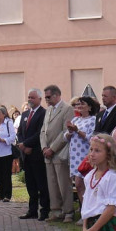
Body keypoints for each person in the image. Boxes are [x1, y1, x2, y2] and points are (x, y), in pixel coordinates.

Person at [41, 85, 74, 222]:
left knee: (63, 184)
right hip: (48, 154)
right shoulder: (48, 110)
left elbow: (65, 131)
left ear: (56, 95)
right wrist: (44, 147)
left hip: (60, 152)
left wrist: (52, 148)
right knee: (52, 184)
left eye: (48, 97)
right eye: (45, 97)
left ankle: (68, 212)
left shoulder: (67, 109)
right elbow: (43, 130)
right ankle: (56, 211)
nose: (46, 100)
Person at [17, 89, 48, 220]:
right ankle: (32, 210)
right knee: (30, 184)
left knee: (41, 184)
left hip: (36, 153)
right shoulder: (25, 114)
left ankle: (45, 210)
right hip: (26, 154)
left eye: (33, 97)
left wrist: (27, 144)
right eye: (29, 97)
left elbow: (40, 132)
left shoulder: (43, 113)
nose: (30, 99)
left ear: (40, 99)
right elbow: (20, 132)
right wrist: (22, 145)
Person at [64, 96, 96, 202]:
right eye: (78, 104)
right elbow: (65, 138)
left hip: (85, 156)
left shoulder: (93, 120)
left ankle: (88, 208)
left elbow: (91, 138)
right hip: (75, 157)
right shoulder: (75, 119)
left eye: (82, 104)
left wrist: (77, 131)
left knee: (84, 185)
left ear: (90, 107)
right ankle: (84, 208)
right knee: (78, 185)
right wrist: (70, 131)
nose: (79, 106)